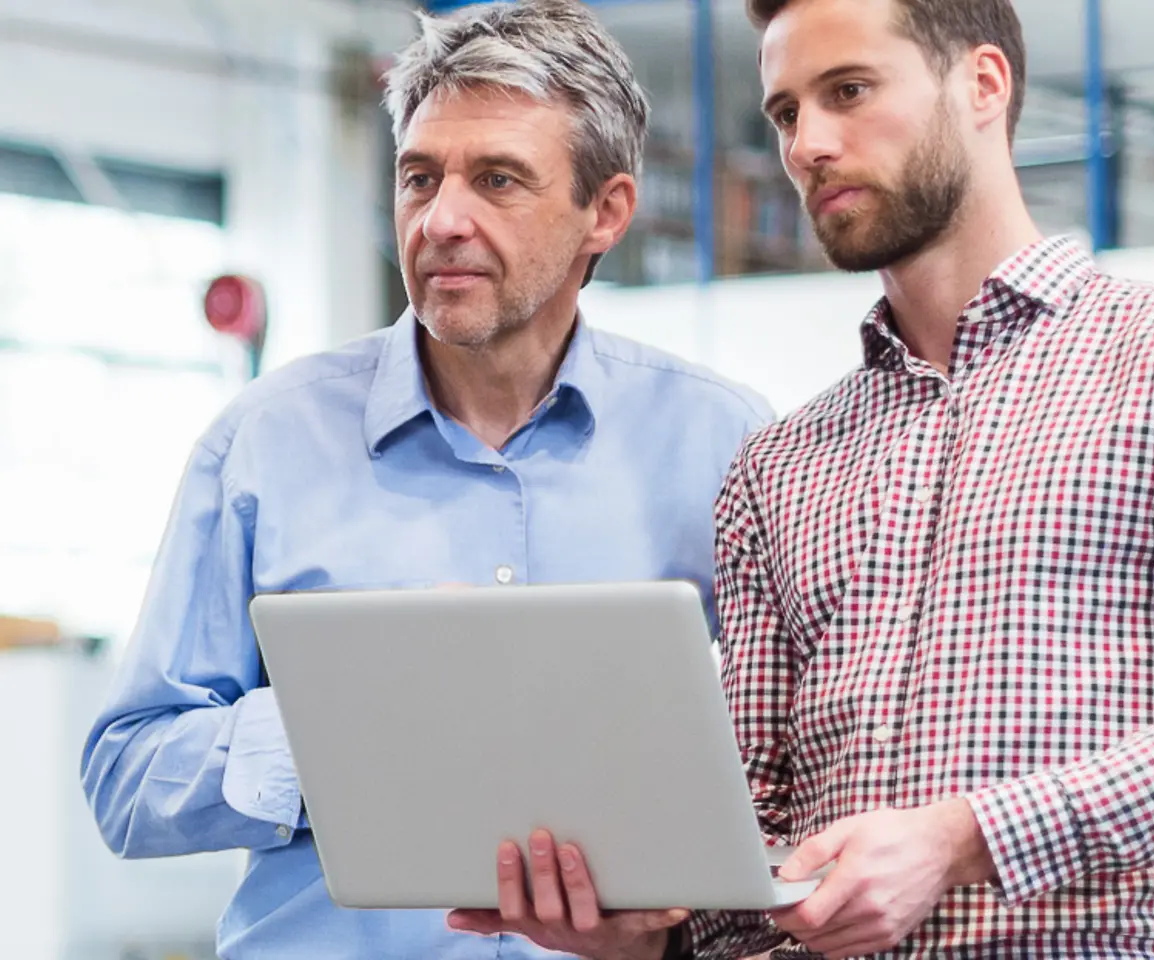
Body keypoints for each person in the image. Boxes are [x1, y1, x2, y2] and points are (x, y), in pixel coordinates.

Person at [447, 0, 1154, 957]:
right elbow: (749, 849)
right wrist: (638, 925)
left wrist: (961, 839)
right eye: (787, 114)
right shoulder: (780, 463)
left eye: (847, 91)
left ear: (982, 84)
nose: (807, 146)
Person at [79, 2, 772, 957]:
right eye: (418, 178)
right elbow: (126, 778)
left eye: (497, 180)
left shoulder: (726, 443)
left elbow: (796, 767)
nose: (442, 220)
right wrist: (356, 720)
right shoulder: (266, 441)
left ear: (605, 212)